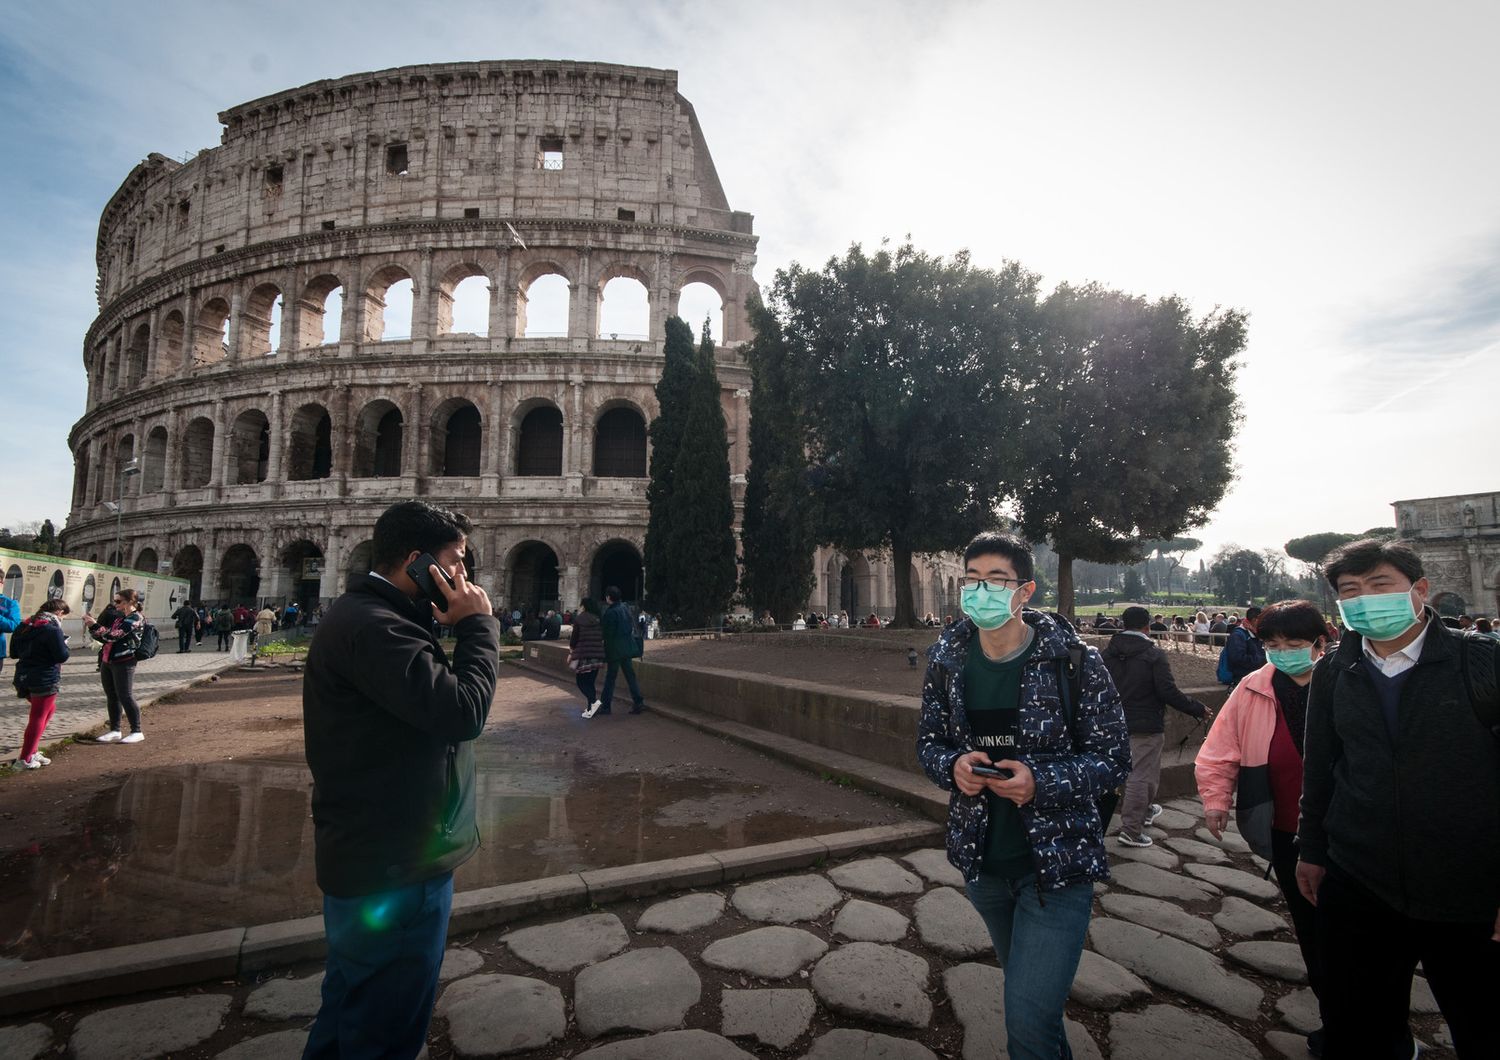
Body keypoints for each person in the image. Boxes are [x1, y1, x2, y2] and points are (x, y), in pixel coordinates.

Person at [917, 532, 1130, 1060]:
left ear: (1026, 590)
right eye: (971, 579)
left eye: (995, 580)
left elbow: (1113, 760)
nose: (979, 590)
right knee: (1033, 1008)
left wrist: (1041, 781)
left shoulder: (1075, 662)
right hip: (985, 867)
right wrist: (952, 766)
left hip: (1056, 870)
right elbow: (929, 742)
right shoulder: (947, 661)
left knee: (1028, 1022)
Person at [302, 500, 499, 1060]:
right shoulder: (375, 627)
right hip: (397, 866)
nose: (464, 575)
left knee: (349, 1012)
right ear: (416, 562)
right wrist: (479, 627)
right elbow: (464, 711)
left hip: (373, 854)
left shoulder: (372, 617)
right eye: (456, 560)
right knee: (385, 1032)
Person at [1296, 538, 1499, 1060]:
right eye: (1350, 591)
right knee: (1358, 1025)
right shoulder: (1334, 672)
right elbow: (1320, 767)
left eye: (1379, 585)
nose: (1365, 599)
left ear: (1420, 590)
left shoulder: (1483, 662)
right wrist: (1312, 849)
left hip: (1469, 886)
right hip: (1359, 877)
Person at [1195, 599, 1331, 1055]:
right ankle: (1335, 1015)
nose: (1282, 652)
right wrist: (1216, 800)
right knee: (1311, 928)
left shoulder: (1346, 681)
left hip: (1349, 829)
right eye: (1272, 644)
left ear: (1321, 643)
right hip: (1284, 825)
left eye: (1293, 644)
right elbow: (1220, 746)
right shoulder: (1253, 685)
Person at [1104, 606, 1211, 847]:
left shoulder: (1107, 654)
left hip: (1111, 722)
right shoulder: (1153, 655)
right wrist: (1197, 709)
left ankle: (1146, 809)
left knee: (1125, 773)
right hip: (1145, 725)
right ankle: (1131, 829)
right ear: (1147, 627)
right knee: (1142, 776)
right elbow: (1167, 691)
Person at [10, 599, 71, 769]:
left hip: (23, 676)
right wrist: (65, 646)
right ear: (59, 612)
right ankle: (25, 758)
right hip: (45, 677)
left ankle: (33, 751)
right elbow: (62, 656)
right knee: (38, 716)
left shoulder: (24, 626)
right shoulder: (52, 630)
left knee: (49, 710)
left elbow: (14, 653)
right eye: (64, 617)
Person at [84, 587, 145, 744]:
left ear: (130, 602)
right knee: (112, 695)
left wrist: (95, 626)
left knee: (125, 695)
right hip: (108, 659)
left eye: (118, 601)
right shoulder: (120, 618)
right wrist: (93, 627)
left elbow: (114, 635)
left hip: (124, 661)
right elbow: (106, 637)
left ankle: (136, 730)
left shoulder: (135, 618)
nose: (115, 604)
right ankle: (115, 729)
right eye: (115, 601)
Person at [600, 586, 646, 715]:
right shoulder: (625, 608)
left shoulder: (610, 612)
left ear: (609, 597)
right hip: (627, 647)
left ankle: (605, 706)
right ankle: (638, 702)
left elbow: (607, 633)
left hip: (615, 649)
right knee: (630, 676)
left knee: (610, 678)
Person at [571, 597, 607, 719]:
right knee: (590, 682)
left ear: (584, 606)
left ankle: (594, 702)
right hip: (597, 655)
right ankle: (591, 710)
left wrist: (572, 649)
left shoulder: (580, 619)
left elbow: (574, 638)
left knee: (580, 682)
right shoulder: (598, 619)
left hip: (584, 655)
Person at [1221, 605, 1266, 685]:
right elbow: (1237, 658)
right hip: (1242, 678)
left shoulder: (1255, 634)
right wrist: (1263, 660)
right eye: (1263, 620)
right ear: (1255, 620)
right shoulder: (1238, 635)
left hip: (1253, 675)